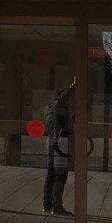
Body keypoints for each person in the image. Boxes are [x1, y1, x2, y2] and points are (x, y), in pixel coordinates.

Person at [42, 84, 73, 216]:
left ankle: (47, 204)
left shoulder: (49, 108)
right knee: (60, 175)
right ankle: (57, 205)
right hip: (59, 141)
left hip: (51, 140)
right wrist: (73, 87)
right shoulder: (57, 106)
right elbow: (62, 100)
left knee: (51, 174)